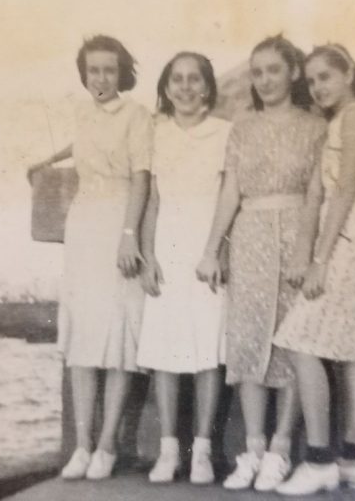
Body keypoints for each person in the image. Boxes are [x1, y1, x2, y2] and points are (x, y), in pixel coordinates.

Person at [196, 35, 327, 492]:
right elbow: (230, 191)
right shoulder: (242, 127)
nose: (265, 80)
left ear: (293, 72)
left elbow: (316, 193)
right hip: (249, 235)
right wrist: (212, 248)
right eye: (257, 72)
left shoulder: (314, 127)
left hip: (294, 231)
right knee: (248, 339)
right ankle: (252, 449)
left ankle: (281, 449)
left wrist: (304, 249)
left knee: (293, 343)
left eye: (274, 69)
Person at [27, 35, 153, 480]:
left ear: (122, 74)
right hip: (83, 226)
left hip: (118, 225)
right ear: (84, 74)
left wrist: (129, 236)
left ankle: (107, 446)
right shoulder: (83, 112)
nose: (100, 78)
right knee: (83, 339)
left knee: (117, 339)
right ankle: (82, 445)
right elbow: (79, 146)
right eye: (93, 70)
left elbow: (141, 177)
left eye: (109, 70)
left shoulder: (137, 115)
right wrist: (45, 159)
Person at [273, 44, 355, 496]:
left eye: (325, 77)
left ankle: (319, 459)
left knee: (300, 340)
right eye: (312, 80)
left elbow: (346, 190)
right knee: (353, 350)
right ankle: (353, 460)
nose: (318, 87)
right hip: (352, 230)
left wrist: (319, 260)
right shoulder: (338, 120)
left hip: (348, 232)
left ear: (349, 72)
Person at [136, 52, 232, 484]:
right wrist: (147, 255)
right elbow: (153, 201)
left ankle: (203, 453)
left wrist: (218, 249)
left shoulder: (225, 134)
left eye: (195, 79)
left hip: (206, 249)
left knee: (208, 352)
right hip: (167, 249)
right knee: (165, 353)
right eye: (177, 79)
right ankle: (169, 450)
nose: (186, 87)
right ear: (167, 86)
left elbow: (232, 199)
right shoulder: (157, 134)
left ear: (208, 87)